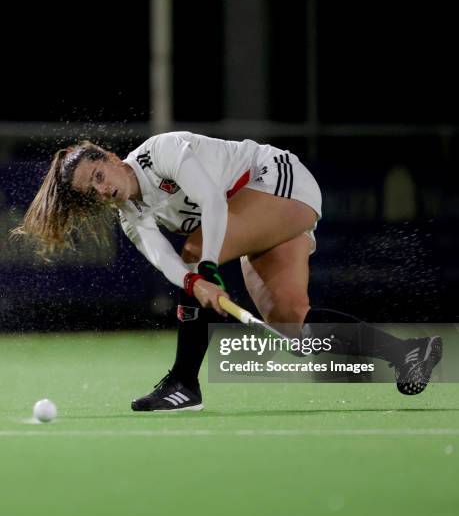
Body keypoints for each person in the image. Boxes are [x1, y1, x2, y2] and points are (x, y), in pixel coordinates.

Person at [14, 131, 442, 410]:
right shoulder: (131, 215)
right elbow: (166, 264)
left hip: (276, 182)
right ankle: (408, 354)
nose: (104, 189)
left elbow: (213, 204)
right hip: (258, 218)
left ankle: (184, 384)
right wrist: (194, 282)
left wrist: (202, 269)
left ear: (110, 156)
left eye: (100, 174)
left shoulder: (159, 152)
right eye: (93, 189)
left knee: (196, 253)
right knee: (290, 322)